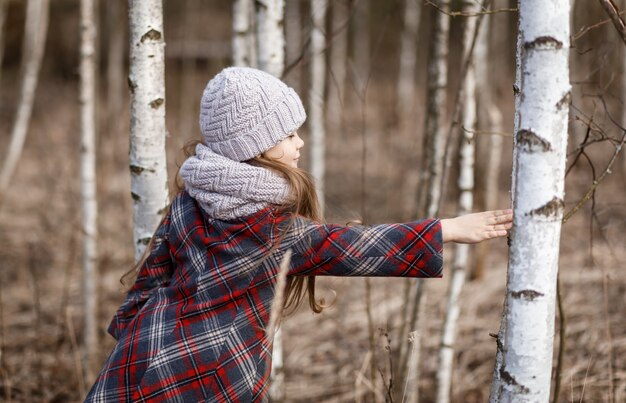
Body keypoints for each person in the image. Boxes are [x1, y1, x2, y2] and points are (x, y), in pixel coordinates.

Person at [85, 67, 512, 402]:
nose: (300, 142)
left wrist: (130, 338)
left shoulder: (189, 199)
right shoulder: (273, 231)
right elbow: (354, 248)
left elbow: (149, 280)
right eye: (288, 134)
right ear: (255, 147)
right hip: (211, 377)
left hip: (140, 358)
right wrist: (448, 230)